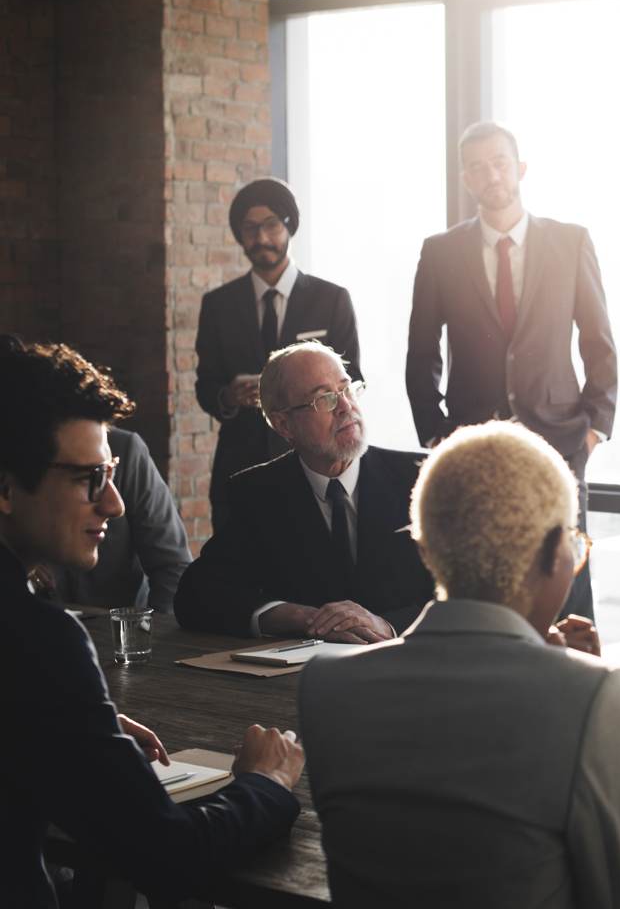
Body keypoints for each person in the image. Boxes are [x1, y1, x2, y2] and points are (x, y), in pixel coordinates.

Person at [299, 422, 620, 908]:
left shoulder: (325, 687)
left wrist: (555, 669)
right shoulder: (593, 700)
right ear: (554, 551)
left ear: (425, 549)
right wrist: (582, 693)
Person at [0, 340, 303, 908]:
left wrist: (72, 719)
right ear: (6, 487)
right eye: (90, 478)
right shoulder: (38, 641)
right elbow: (170, 854)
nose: (113, 503)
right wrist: (266, 783)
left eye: (111, 473)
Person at [406, 121, 617, 621]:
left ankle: (579, 684)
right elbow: (420, 353)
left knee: (567, 575)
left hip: (561, 442)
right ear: (466, 179)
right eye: (478, 167)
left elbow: (599, 343)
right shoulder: (440, 252)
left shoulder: (570, 242)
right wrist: (437, 435)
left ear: (519, 168)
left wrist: (594, 430)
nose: (491, 174)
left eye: (499, 162)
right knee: (480, 575)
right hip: (472, 443)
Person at [175, 341, 433, 640]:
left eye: (347, 389)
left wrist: (387, 626)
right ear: (283, 424)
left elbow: (471, 594)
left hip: (410, 669)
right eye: (324, 399)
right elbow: (196, 596)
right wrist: (297, 616)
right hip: (302, 677)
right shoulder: (258, 493)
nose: (346, 407)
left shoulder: (421, 476)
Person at [196, 177, 361, 530]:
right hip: (240, 461)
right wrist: (228, 395)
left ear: (289, 226)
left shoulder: (331, 300)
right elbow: (205, 385)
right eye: (250, 228)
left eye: (271, 225)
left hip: (316, 459)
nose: (261, 238)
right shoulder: (218, 305)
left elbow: (355, 377)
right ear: (240, 235)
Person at [42, 426, 191, 613]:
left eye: (108, 473)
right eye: (86, 478)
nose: (116, 506)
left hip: (123, 630)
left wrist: (148, 636)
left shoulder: (125, 449)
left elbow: (173, 566)